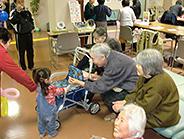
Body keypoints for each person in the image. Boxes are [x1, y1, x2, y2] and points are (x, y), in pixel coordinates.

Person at [112, 49, 180, 128]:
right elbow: (135, 91)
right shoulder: (146, 75)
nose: (136, 66)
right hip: (151, 107)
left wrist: (124, 107)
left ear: (149, 68)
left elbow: (145, 107)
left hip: (162, 116)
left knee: (128, 121)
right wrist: (125, 101)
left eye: (140, 65)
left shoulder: (159, 84)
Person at [69, 43, 138, 113]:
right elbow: (112, 77)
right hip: (122, 81)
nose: (92, 61)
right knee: (102, 90)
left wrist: (80, 83)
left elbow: (101, 87)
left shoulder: (114, 65)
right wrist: (98, 78)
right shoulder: (111, 55)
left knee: (110, 100)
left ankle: (118, 112)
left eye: (93, 59)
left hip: (131, 88)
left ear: (102, 57)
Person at [32, 68, 68, 138]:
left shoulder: (38, 87)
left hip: (40, 110)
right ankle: (51, 133)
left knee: (41, 122)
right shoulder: (51, 88)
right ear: (46, 80)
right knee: (51, 122)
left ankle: (41, 133)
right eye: (49, 78)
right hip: (50, 111)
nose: (51, 80)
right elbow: (59, 91)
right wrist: (65, 89)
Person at [0, 27, 36, 92]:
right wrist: (33, 86)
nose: (8, 46)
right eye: (9, 42)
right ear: (1, 41)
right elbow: (16, 72)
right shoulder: (1, 53)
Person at [9, 1, 35, 70]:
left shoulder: (27, 11)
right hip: (20, 35)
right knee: (21, 52)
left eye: (22, 1)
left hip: (29, 34)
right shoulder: (13, 12)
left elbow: (31, 19)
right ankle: (23, 67)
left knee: (30, 51)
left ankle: (31, 65)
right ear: (15, 3)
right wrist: (18, 12)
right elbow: (12, 22)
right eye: (19, 2)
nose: (21, 3)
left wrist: (32, 27)